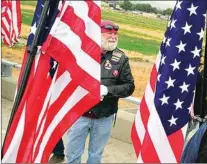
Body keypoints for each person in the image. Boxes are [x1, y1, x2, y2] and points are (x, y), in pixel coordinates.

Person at [65, 20, 135, 163]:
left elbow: (129, 87)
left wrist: (107, 90)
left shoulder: (121, 59)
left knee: (95, 156)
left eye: (115, 34)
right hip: (79, 114)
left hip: (104, 116)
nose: (113, 37)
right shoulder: (82, 52)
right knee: (72, 154)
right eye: (109, 33)